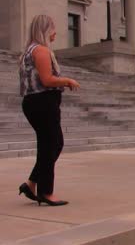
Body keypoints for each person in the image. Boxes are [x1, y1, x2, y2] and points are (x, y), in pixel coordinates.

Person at [18, 15, 80, 206]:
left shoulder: (28, 51)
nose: (55, 33)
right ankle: (46, 192)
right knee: (53, 144)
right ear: (45, 30)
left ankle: (31, 184)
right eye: (53, 29)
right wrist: (67, 81)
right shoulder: (41, 51)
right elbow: (47, 80)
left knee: (49, 145)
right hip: (42, 102)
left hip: (35, 102)